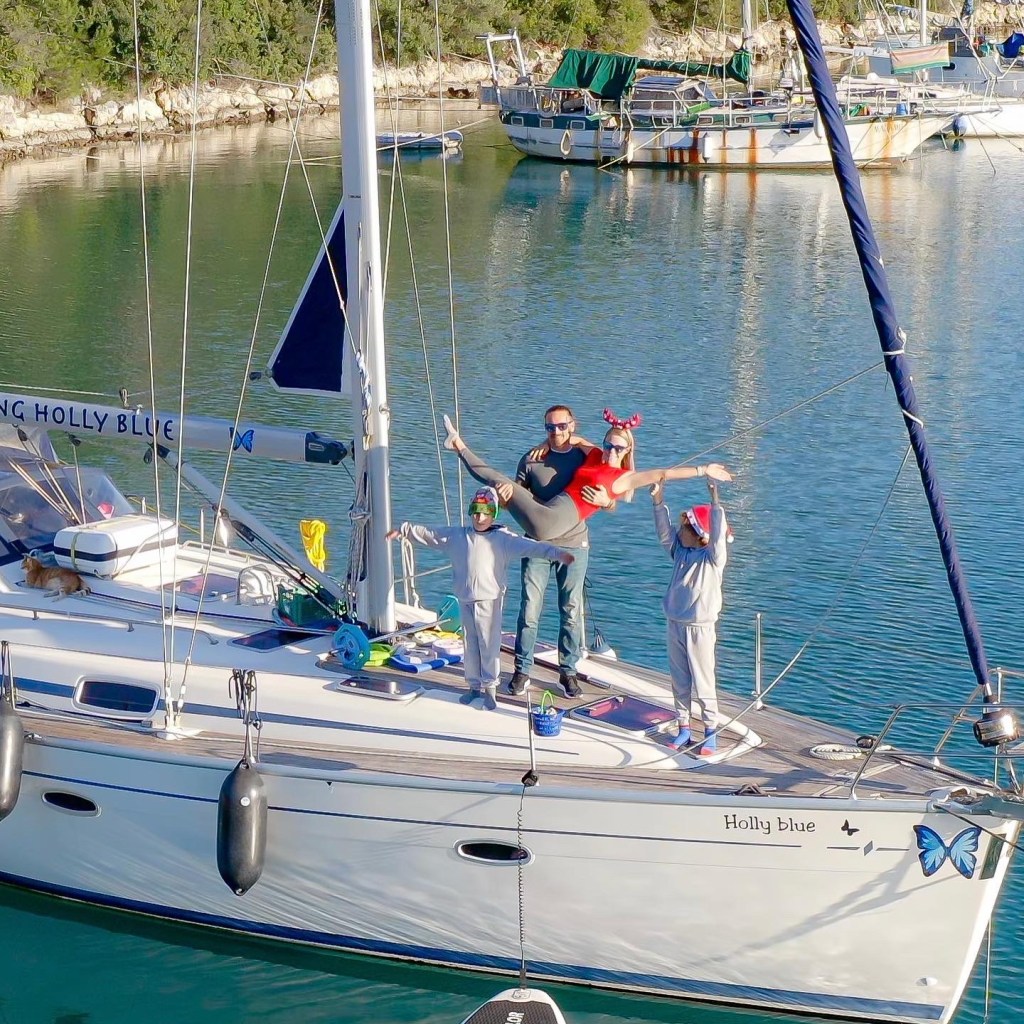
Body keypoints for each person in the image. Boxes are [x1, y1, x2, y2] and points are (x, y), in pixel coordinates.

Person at [387, 487, 574, 711]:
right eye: (476, 512)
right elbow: (430, 535)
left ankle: (491, 688)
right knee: (470, 644)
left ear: (493, 513)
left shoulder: (504, 539)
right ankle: (473, 686)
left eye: (485, 513)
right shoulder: (457, 536)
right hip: (465, 599)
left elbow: (531, 547)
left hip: (490, 600)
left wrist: (556, 553)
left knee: (489, 644)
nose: (480, 517)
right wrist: (404, 530)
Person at [500, 405, 605, 700]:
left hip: (574, 545)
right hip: (536, 545)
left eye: (561, 426)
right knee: (530, 609)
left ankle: (568, 672)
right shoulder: (531, 461)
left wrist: (606, 498)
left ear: (573, 425)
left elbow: (610, 473)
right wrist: (504, 500)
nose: (556, 432)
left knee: (571, 611)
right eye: (550, 428)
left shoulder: (585, 456)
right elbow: (515, 500)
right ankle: (522, 671)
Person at [651, 471, 732, 757]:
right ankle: (683, 726)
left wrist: (714, 499)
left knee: (703, 679)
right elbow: (663, 533)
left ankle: (710, 730)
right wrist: (658, 501)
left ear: (700, 535)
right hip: (675, 622)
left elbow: (719, 539)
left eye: (684, 527)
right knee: (679, 678)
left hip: (700, 627)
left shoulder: (711, 559)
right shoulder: (680, 553)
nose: (678, 531)